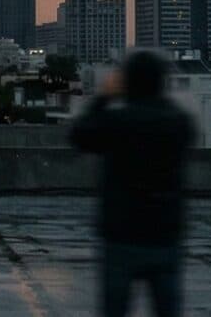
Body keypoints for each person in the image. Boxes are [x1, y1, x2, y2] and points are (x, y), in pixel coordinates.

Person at [69, 49, 197, 317]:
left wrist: (105, 96)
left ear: (129, 82)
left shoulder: (118, 121)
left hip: (122, 235)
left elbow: (79, 135)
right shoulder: (178, 122)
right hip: (165, 235)